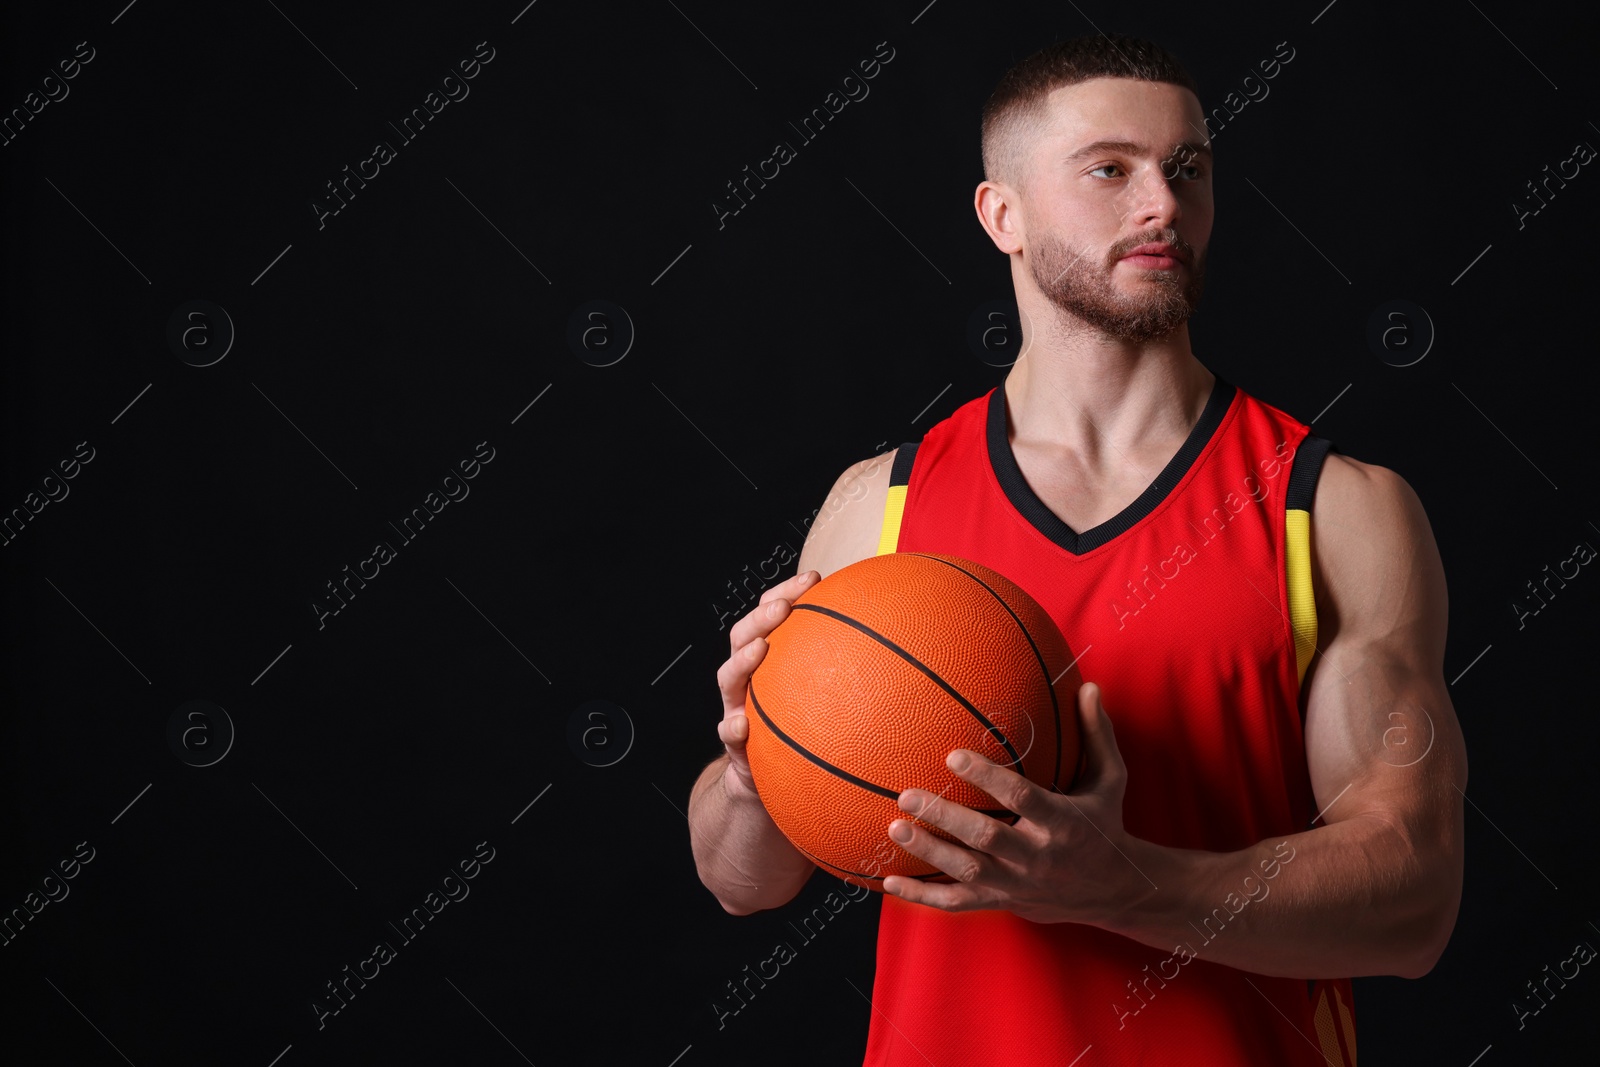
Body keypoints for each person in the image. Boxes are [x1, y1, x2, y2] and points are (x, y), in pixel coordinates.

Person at [687, 32, 1466, 1066]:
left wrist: (1122, 885)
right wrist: (754, 773)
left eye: (1186, 168)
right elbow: (742, 880)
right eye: (1110, 169)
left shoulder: (1331, 508)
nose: (1160, 204)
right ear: (999, 214)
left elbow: (1412, 898)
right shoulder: (881, 506)